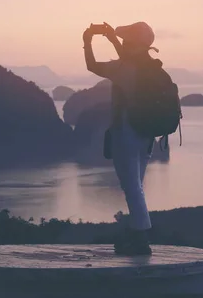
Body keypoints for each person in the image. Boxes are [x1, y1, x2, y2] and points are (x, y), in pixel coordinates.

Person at [82, 21, 161, 256]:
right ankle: (137, 235)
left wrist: (87, 41)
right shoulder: (150, 66)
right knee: (137, 186)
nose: (124, 44)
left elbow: (92, 65)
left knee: (131, 187)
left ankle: (140, 238)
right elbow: (127, 60)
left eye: (127, 41)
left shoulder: (123, 68)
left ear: (133, 44)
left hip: (126, 133)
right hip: (146, 134)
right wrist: (113, 39)